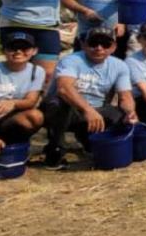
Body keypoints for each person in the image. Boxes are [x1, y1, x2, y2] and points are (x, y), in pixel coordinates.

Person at [40, 26, 136, 169]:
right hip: (67, 110)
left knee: (120, 114)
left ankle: (92, 141)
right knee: (59, 103)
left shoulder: (120, 66)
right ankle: (55, 149)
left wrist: (130, 113)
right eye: (93, 43)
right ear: (84, 44)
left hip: (96, 110)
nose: (99, 48)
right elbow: (63, 88)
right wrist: (87, 110)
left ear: (114, 47)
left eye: (105, 44)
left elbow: (125, 96)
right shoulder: (71, 60)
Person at [0, 30, 46, 149]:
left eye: (24, 48)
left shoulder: (37, 71)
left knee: (35, 116)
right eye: (12, 47)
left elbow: (31, 101)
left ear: (34, 51)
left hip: (9, 119)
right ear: (4, 51)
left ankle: (13, 146)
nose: (18, 51)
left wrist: (12, 103)